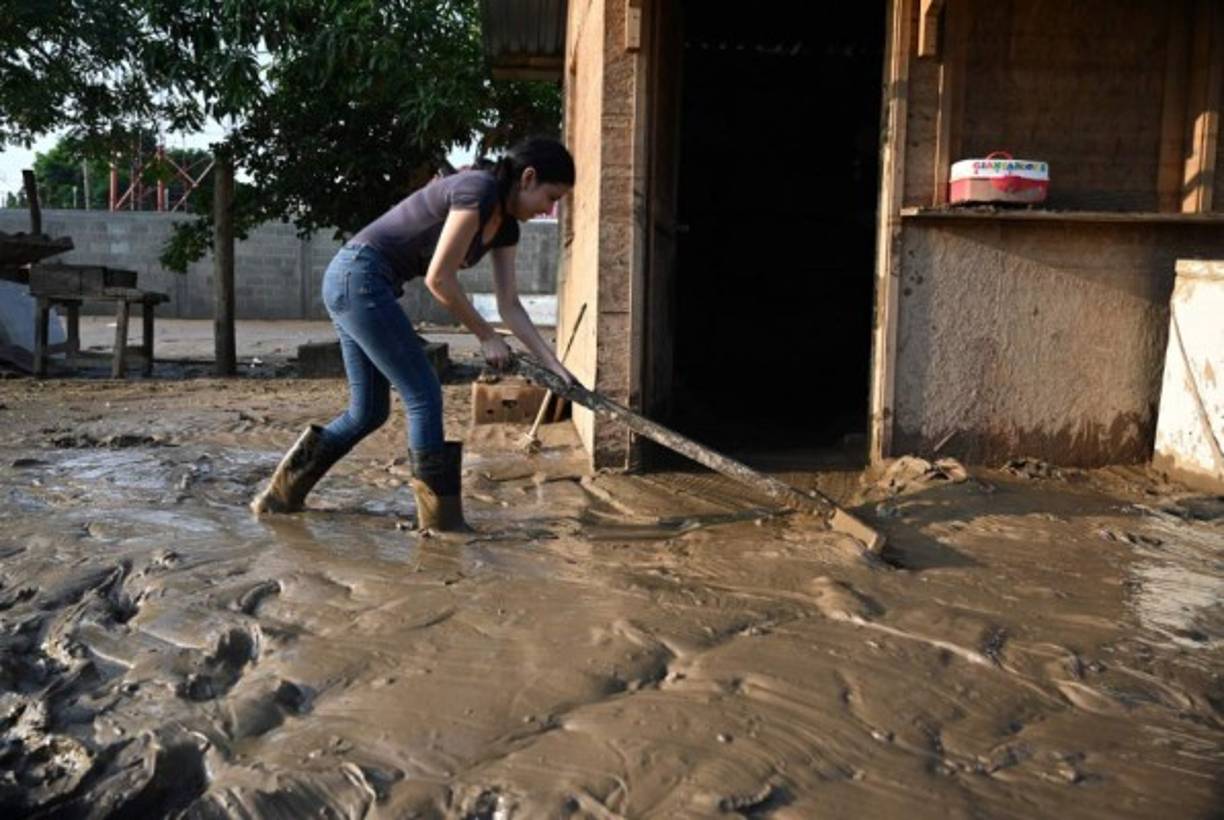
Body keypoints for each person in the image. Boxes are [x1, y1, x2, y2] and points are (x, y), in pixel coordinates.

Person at [250, 136, 577, 532]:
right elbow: (440, 279)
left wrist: (552, 364)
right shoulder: (477, 190)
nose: (549, 210)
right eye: (551, 197)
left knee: (368, 413)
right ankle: (441, 525)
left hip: (365, 284)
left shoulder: (506, 228)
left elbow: (510, 304)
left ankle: (279, 498)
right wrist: (485, 335)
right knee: (424, 394)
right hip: (358, 277)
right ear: (528, 178)